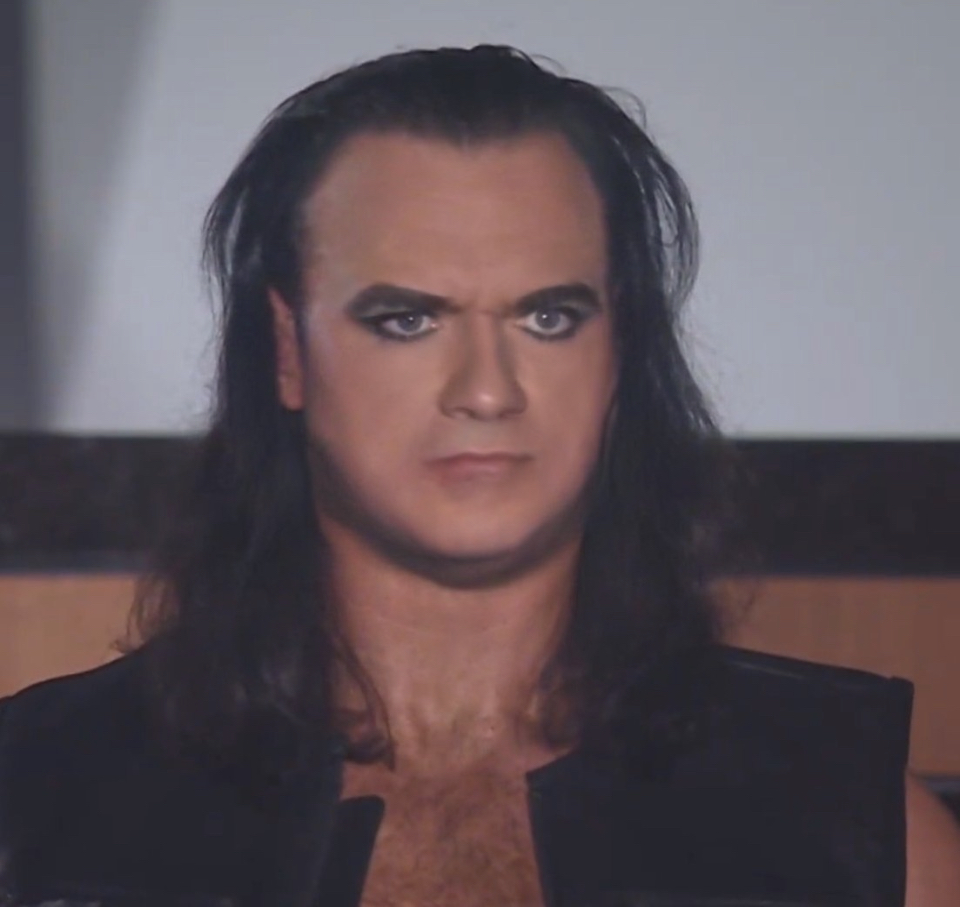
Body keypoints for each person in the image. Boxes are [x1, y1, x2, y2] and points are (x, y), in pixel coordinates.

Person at [1, 44, 958, 907]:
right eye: (408, 319)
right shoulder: (33, 795)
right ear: (288, 350)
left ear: (620, 351)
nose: (487, 390)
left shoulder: (860, 827)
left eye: (548, 318)